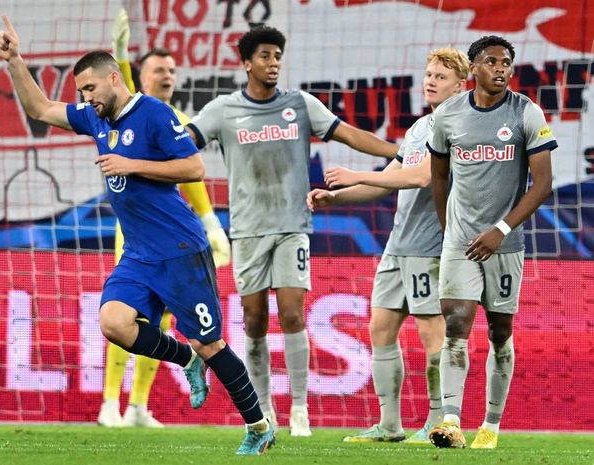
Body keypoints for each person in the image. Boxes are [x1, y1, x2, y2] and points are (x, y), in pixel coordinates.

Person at [0, 16, 274, 456]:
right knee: (114, 322)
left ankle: (258, 426)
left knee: (211, 343)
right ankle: (185, 361)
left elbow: (194, 168)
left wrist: (131, 165)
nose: (85, 99)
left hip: (181, 249)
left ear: (113, 78)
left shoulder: (156, 115)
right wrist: (15, 60)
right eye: (81, 93)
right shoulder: (96, 119)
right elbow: (40, 108)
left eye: (90, 89)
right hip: (140, 253)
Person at [185, 25, 399, 437]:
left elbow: (347, 133)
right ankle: (264, 407)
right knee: (253, 320)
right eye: (264, 56)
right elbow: (185, 142)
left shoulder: (299, 105)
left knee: (292, 313)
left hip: (292, 226)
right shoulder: (223, 110)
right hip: (247, 230)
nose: (273, 63)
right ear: (246, 63)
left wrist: (395, 150)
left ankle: (300, 408)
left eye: (277, 56)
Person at [307, 47, 469, 444]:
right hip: (398, 246)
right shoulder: (418, 128)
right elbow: (391, 175)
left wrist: (353, 171)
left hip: (431, 247)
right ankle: (390, 425)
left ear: (461, 86)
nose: (430, 80)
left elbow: (420, 177)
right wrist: (338, 196)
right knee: (380, 327)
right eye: (429, 73)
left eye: (441, 76)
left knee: (433, 333)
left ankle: (437, 423)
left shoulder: (460, 127)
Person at [97, 9, 232, 429]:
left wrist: (211, 223)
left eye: (173, 69)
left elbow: (189, 179)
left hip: (171, 235)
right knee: (129, 315)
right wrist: (119, 52)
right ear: (140, 74)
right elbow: (119, 82)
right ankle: (109, 403)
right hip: (136, 235)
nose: (169, 75)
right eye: (159, 68)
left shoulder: (177, 122)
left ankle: (138, 405)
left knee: (166, 319)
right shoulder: (133, 110)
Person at [426, 36, 556, 449]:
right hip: (461, 243)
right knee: (456, 325)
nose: (501, 69)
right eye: (491, 61)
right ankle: (450, 421)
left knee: (500, 332)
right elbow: (439, 177)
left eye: (507, 63)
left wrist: (500, 228)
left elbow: (544, 184)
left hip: (506, 243)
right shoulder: (447, 115)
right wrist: (449, 229)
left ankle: (491, 425)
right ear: (474, 68)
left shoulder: (527, 113)